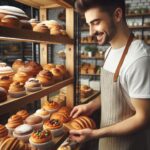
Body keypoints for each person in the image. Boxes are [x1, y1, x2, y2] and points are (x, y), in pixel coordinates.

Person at [69, 0, 150, 149]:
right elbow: (113, 93)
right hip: (107, 144)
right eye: (89, 24)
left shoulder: (139, 58)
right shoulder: (109, 52)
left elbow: (143, 117)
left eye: (96, 22)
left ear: (117, 15)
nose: (91, 31)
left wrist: (95, 134)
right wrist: (90, 106)